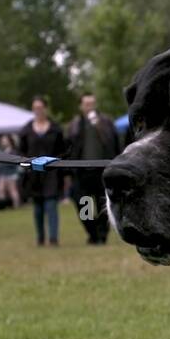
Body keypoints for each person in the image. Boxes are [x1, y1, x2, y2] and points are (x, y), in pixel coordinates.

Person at [65, 93, 121, 244]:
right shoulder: (75, 125)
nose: (90, 107)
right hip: (82, 172)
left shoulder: (106, 122)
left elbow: (115, 144)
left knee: (103, 204)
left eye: (92, 103)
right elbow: (69, 148)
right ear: (81, 106)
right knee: (84, 205)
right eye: (87, 104)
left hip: (103, 170)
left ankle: (102, 234)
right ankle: (92, 232)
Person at [19, 95, 67, 246]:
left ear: (45, 108)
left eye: (40, 108)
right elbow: (22, 152)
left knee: (51, 205)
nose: (38, 111)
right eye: (35, 108)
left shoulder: (56, 129)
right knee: (38, 208)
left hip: (51, 173)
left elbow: (62, 151)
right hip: (33, 174)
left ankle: (53, 238)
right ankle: (40, 237)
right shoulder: (26, 130)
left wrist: (62, 171)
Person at [0, 134, 21, 208]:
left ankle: (16, 205)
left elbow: (14, 163)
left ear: (9, 141)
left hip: (11, 174)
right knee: (0, 189)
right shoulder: (2, 151)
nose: (3, 141)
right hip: (2, 174)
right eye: (2, 140)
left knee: (12, 190)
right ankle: (2, 205)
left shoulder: (13, 151)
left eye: (4, 140)